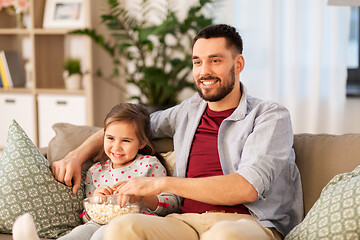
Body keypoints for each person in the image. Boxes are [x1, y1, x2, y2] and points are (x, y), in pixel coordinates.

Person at [52, 24, 304, 239]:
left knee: (223, 235)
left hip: (247, 223)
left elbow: (246, 187)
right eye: (197, 62)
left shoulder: (269, 116)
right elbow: (129, 126)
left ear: (238, 64)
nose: (204, 71)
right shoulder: (188, 111)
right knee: (121, 227)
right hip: (185, 222)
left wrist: (158, 183)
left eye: (215, 60)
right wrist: (76, 155)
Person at [12, 103, 177, 240]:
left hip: (132, 224)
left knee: (101, 235)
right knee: (78, 233)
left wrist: (142, 198)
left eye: (126, 140)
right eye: (110, 138)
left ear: (142, 143)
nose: (116, 147)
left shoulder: (149, 165)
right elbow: (85, 217)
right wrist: (96, 200)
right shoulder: (96, 171)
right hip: (98, 222)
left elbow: (172, 204)